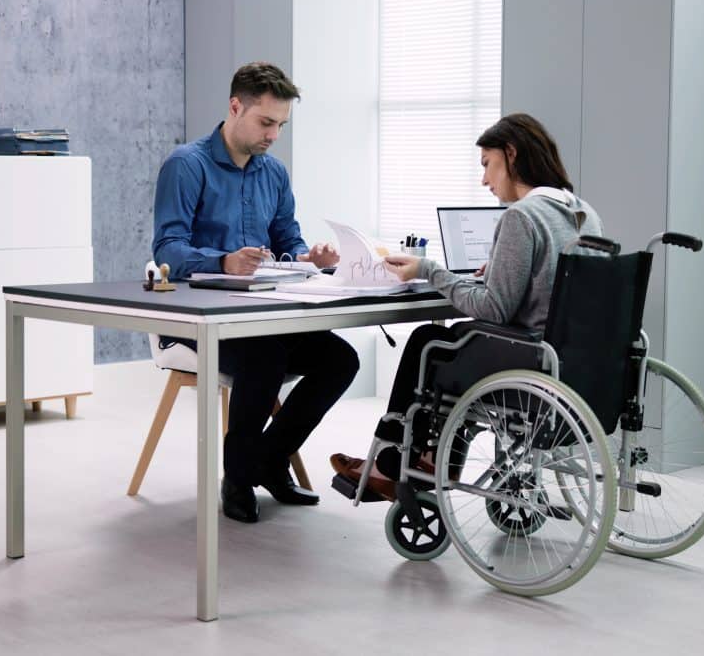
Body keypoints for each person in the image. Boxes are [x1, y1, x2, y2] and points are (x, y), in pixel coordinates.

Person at [330, 113, 603, 499]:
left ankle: (390, 463)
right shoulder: (584, 214)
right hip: (572, 357)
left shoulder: (522, 216)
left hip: (527, 357)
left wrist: (429, 270)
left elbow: (493, 309)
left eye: (487, 165)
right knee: (450, 342)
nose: (485, 180)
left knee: (430, 341)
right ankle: (426, 456)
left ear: (511, 154)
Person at [153, 62, 359, 523]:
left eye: (281, 125)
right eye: (266, 123)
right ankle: (240, 478)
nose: (273, 135)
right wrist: (222, 261)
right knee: (265, 356)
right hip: (198, 320)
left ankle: (267, 459)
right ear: (235, 106)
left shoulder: (274, 174)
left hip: (264, 315)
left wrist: (310, 258)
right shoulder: (187, 165)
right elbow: (167, 249)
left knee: (341, 359)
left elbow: (289, 241)